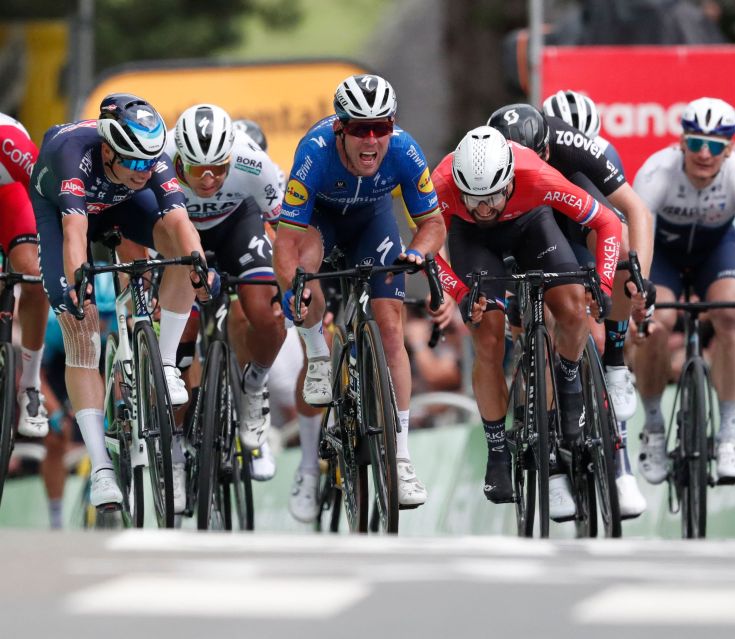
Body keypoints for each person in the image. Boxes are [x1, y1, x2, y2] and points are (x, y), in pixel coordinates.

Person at [431, 125, 633, 521]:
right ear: (458, 186)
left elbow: (607, 223)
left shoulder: (536, 174)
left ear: (509, 178)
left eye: (492, 196)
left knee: (574, 308)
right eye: (475, 199)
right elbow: (424, 250)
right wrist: (459, 293)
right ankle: (497, 449)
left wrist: (605, 282)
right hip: (474, 243)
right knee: (487, 336)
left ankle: (570, 381)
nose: (485, 208)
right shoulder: (440, 185)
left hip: (531, 223)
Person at [28, 93, 217, 508]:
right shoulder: (70, 152)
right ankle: (101, 470)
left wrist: (199, 267)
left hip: (119, 205)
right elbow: (75, 232)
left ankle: (164, 364)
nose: (142, 170)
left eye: (149, 162)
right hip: (64, 212)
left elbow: (182, 223)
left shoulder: (148, 158)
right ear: (109, 148)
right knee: (81, 330)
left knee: (182, 253)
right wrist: (80, 284)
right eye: (132, 161)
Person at [273, 74, 446, 517]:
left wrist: (416, 254)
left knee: (391, 329)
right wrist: (295, 298)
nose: (371, 140)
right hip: (322, 225)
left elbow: (433, 226)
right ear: (340, 129)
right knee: (307, 264)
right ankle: (310, 453)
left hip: (372, 224)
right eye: (359, 129)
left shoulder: (405, 151)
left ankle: (402, 459)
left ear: (393, 126)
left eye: (381, 128)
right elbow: (287, 244)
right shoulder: (314, 152)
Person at [486, 103, 654, 517]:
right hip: (527, 219)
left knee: (620, 262)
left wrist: (638, 283)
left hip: (575, 214)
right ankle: (551, 460)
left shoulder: (575, 148)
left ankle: (614, 366)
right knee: (536, 328)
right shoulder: (490, 157)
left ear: (549, 144)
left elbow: (635, 213)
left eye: (537, 155)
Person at [631, 96, 735, 487]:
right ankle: (654, 429)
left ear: (729, 149)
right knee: (658, 321)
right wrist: (640, 300)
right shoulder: (656, 173)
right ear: (682, 143)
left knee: (731, 317)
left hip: (715, 250)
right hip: (664, 254)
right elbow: (639, 245)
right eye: (695, 143)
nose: (704, 153)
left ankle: (727, 437)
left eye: (714, 145)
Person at [161, 104, 286, 498]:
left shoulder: (254, 161)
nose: (210, 178)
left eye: (219, 167)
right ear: (179, 158)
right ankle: (176, 447)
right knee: (181, 332)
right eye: (198, 170)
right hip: (176, 231)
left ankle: (253, 390)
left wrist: (290, 281)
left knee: (266, 312)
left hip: (237, 225)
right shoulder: (157, 160)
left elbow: (288, 231)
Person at [0, 113, 50, 437]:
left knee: (33, 275)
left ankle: (30, 384)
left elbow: (50, 195)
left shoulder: (8, 141)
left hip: (11, 194)